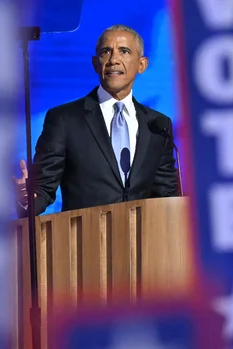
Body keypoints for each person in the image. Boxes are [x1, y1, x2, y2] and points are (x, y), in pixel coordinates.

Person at [14, 24, 181, 216]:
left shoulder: (158, 125)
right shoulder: (64, 120)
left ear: (142, 64)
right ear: (95, 64)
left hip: (143, 241)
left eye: (124, 51)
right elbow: (42, 189)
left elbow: (166, 196)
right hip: (84, 240)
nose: (113, 60)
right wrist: (26, 199)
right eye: (106, 52)